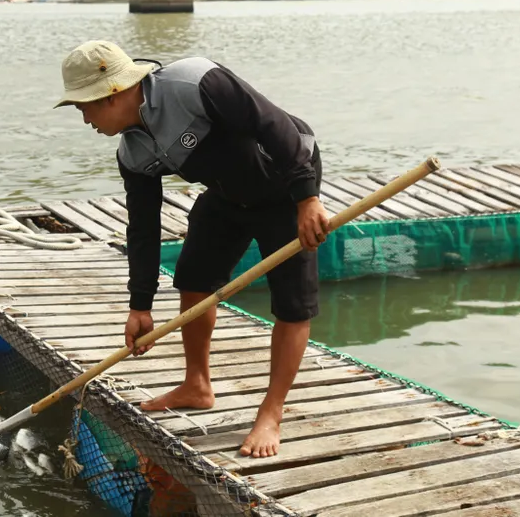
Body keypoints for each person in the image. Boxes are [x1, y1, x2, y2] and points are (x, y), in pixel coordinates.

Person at [53, 40, 330, 458]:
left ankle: (272, 412)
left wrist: (307, 198)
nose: (85, 118)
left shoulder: (195, 81)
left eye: (84, 107)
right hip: (227, 194)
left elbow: (273, 124)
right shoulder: (133, 152)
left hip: (285, 183)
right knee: (194, 278)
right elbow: (142, 230)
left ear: (110, 93)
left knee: (293, 303)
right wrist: (139, 305)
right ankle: (197, 385)